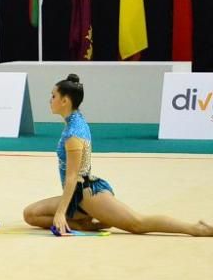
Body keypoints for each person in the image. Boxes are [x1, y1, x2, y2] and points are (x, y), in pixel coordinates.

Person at [23, 74, 212, 236]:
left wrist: (60, 213)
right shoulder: (75, 119)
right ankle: (82, 224)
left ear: (65, 101)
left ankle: (195, 228)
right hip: (75, 196)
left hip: (86, 195)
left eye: (53, 96)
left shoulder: (73, 133)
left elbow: (72, 176)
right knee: (30, 214)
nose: (50, 99)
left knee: (137, 223)